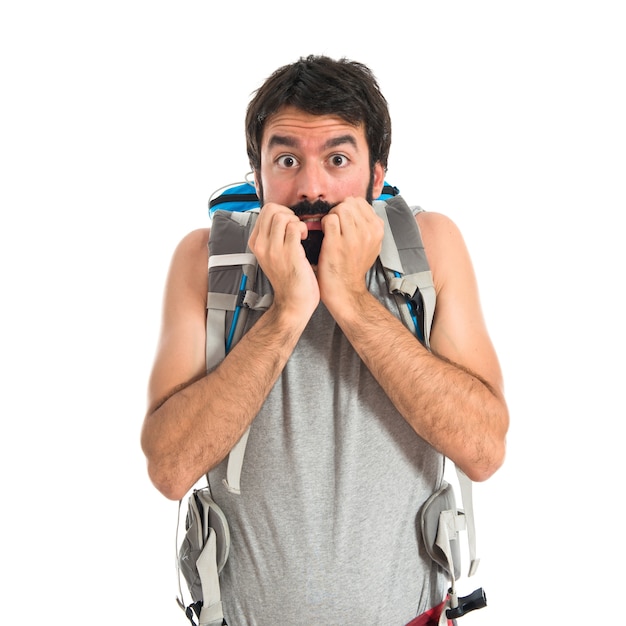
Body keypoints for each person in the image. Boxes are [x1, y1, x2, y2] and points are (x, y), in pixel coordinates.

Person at [141, 54, 509, 625]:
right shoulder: (207, 261)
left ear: (377, 177)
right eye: (287, 159)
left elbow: (484, 451)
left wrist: (354, 303)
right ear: (258, 175)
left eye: (337, 158)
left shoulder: (428, 250)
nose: (311, 187)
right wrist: (287, 313)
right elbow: (169, 469)